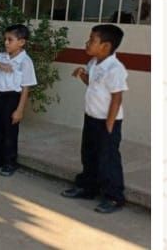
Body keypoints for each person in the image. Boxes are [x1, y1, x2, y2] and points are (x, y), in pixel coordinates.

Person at [61, 24, 127, 214]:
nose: (87, 43)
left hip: (108, 122)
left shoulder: (115, 69)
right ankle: (87, 187)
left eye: (92, 40)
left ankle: (114, 196)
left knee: (108, 159)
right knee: (89, 154)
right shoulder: (94, 62)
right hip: (91, 117)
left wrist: (109, 124)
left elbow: (117, 97)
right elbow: (92, 82)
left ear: (106, 46)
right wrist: (82, 74)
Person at [0, 24, 37, 176]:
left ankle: (10, 162)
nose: (6, 42)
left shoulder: (25, 62)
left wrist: (19, 110)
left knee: (10, 132)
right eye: (5, 39)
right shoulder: (1, 57)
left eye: (10, 40)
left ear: (21, 42)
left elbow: (26, 87)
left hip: (12, 99)